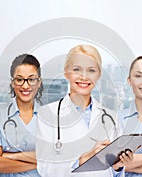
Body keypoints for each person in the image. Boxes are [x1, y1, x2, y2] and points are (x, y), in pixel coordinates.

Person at [36, 44, 133, 177]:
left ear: (98, 75)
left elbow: (113, 173)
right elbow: (45, 169)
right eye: (77, 69)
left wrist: (117, 167)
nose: (84, 77)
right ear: (66, 73)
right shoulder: (47, 114)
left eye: (91, 70)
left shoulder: (111, 117)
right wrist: (83, 160)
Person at [0, 54, 42, 176]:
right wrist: (39, 163)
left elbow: (56, 159)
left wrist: (11, 156)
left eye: (31, 79)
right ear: (12, 83)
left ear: (39, 82)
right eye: (19, 79)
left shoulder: (51, 119)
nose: (25, 86)